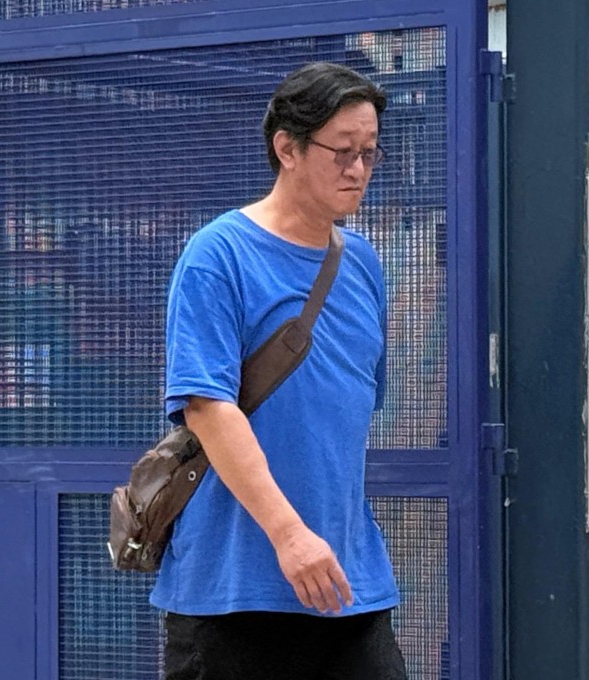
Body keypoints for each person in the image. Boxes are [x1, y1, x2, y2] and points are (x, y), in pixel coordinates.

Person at [151, 62, 407, 680]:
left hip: (349, 581)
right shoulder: (218, 255)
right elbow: (207, 407)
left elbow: (351, 413)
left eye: (369, 153)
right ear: (286, 148)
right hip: (235, 587)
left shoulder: (364, 263)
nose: (358, 170)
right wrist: (290, 535)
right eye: (341, 152)